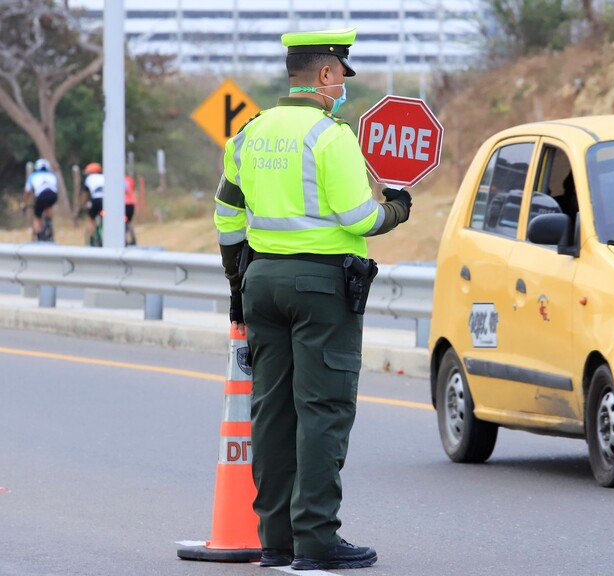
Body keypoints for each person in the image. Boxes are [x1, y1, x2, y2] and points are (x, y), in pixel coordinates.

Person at [213, 27, 411, 572]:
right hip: (322, 288)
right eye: (341, 77)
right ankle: (317, 541)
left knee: (272, 412)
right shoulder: (331, 137)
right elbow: (360, 217)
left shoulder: (248, 133)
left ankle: (275, 540)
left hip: (262, 283)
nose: (342, 88)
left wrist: (238, 283)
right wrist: (398, 209)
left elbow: (227, 217)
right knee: (322, 411)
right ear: (326, 75)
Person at [23, 158, 59, 241]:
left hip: (41, 195)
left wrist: (24, 202)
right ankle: (49, 224)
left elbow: (27, 192)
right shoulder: (52, 175)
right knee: (48, 207)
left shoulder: (32, 176)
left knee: (37, 216)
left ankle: (38, 234)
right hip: (53, 195)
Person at [81, 162, 105, 244]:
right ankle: (104, 235)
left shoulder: (89, 179)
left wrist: (83, 205)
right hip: (106, 201)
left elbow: (85, 194)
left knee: (91, 219)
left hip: (96, 200)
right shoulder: (104, 177)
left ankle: (91, 239)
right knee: (106, 219)